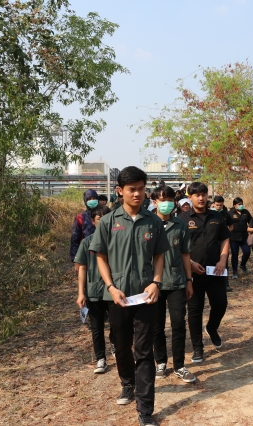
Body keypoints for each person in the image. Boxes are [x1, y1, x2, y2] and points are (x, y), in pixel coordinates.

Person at [90, 166, 170, 426]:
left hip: (146, 296)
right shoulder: (108, 221)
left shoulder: (153, 222)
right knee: (122, 345)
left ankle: (145, 409)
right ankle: (127, 383)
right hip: (118, 298)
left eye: (141, 189)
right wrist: (111, 287)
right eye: (132, 189)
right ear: (120, 191)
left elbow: (159, 255)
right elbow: (100, 256)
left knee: (144, 351)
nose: (137, 194)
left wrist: (156, 282)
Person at [179, 182, 230, 364]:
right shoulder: (182, 219)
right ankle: (198, 348)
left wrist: (223, 260)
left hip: (216, 271)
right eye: (197, 195)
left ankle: (212, 327)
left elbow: (224, 239)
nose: (201, 198)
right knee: (195, 310)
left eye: (204, 194)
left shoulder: (217, 216)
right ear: (190, 197)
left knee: (220, 304)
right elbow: (178, 247)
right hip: (193, 273)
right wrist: (191, 264)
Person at [151, 185, 197, 383]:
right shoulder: (148, 223)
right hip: (154, 284)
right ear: (154, 202)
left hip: (177, 281)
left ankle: (179, 365)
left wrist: (189, 280)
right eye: (163, 200)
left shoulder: (180, 225)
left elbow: (186, 254)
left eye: (170, 200)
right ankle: (160, 362)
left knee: (178, 323)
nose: (167, 204)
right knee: (157, 325)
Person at [75, 205, 113, 374]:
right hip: (94, 291)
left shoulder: (117, 240)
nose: (103, 221)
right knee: (97, 327)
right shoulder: (87, 243)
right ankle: (101, 358)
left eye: (106, 218)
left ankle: (115, 344)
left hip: (114, 291)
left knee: (117, 324)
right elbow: (82, 268)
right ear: (93, 221)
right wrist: (81, 293)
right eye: (99, 219)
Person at [70, 189, 99, 269]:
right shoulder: (80, 218)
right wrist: (75, 260)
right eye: (89, 199)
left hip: (103, 253)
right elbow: (75, 240)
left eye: (94, 198)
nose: (92, 201)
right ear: (85, 201)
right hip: (86, 254)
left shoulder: (105, 215)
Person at [212, 195, 234, 291]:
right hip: (212, 242)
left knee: (224, 262)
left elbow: (231, 226)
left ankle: (225, 284)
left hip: (223, 243)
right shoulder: (210, 214)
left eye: (220, 205)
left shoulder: (226, 215)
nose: (218, 207)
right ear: (213, 204)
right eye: (217, 205)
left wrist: (225, 234)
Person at [228, 197, 252, 279]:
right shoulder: (230, 213)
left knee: (247, 252)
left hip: (244, 237)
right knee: (234, 254)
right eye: (239, 204)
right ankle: (235, 272)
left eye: (242, 204)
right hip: (233, 238)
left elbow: (251, 222)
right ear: (234, 205)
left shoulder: (246, 212)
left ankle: (242, 265)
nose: (241, 206)